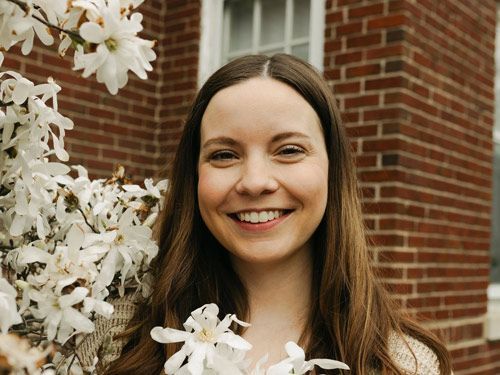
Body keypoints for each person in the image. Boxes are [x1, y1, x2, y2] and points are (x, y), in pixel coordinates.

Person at [76, 54, 452, 374]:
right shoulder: (116, 333)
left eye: (288, 150)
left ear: (332, 171)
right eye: (224, 154)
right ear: (194, 176)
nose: (254, 182)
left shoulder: (407, 363)